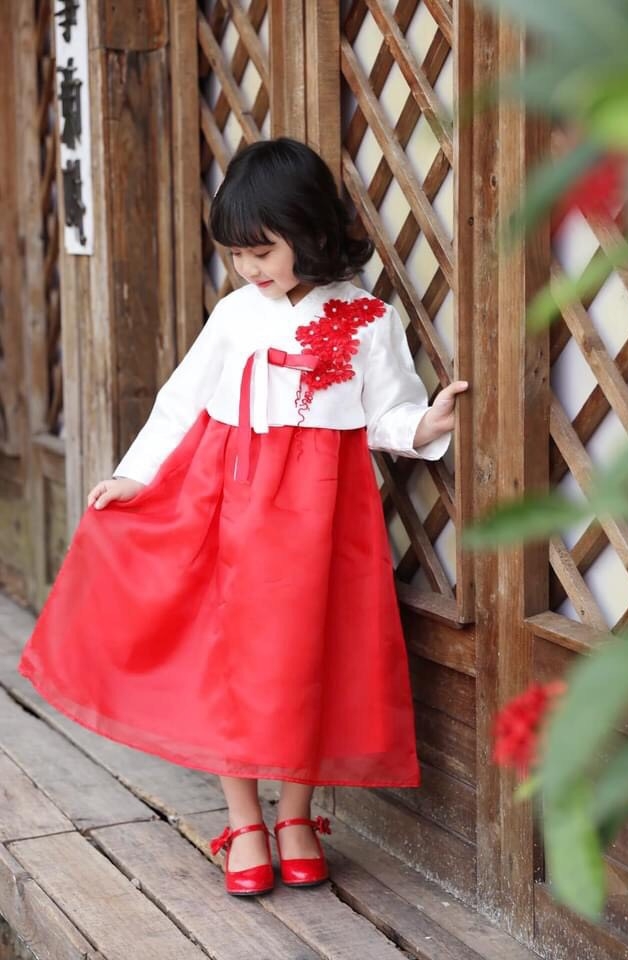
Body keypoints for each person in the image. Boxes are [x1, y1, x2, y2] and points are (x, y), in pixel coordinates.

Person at [18, 137, 468, 897]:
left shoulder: (368, 319)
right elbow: (181, 401)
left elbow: (387, 413)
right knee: (231, 655)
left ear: (310, 233)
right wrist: (134, 476)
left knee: (306, 657)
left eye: (263, 252)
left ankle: (295, 817)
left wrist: (426, 424)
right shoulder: (234, 315)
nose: (250, 269)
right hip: (228, 499)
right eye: (237, 256)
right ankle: (244, 821)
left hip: (325, 514)